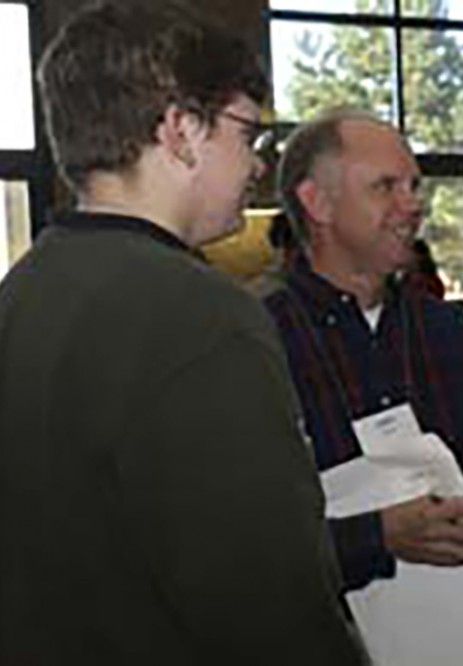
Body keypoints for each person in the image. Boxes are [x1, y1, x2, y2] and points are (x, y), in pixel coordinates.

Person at [0, 3, 364, 664]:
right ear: (180, 131)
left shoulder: (24, 290)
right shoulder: (202, 315)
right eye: (247, 134)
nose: (257, 166)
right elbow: (271, 602)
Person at [265, 108, 463, 661]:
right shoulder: (256, 342)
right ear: (317, 203)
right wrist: (376, 539)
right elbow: (238, 540)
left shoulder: (451, 333)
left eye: (415, 185)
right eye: (386, 187)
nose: (414, 204)